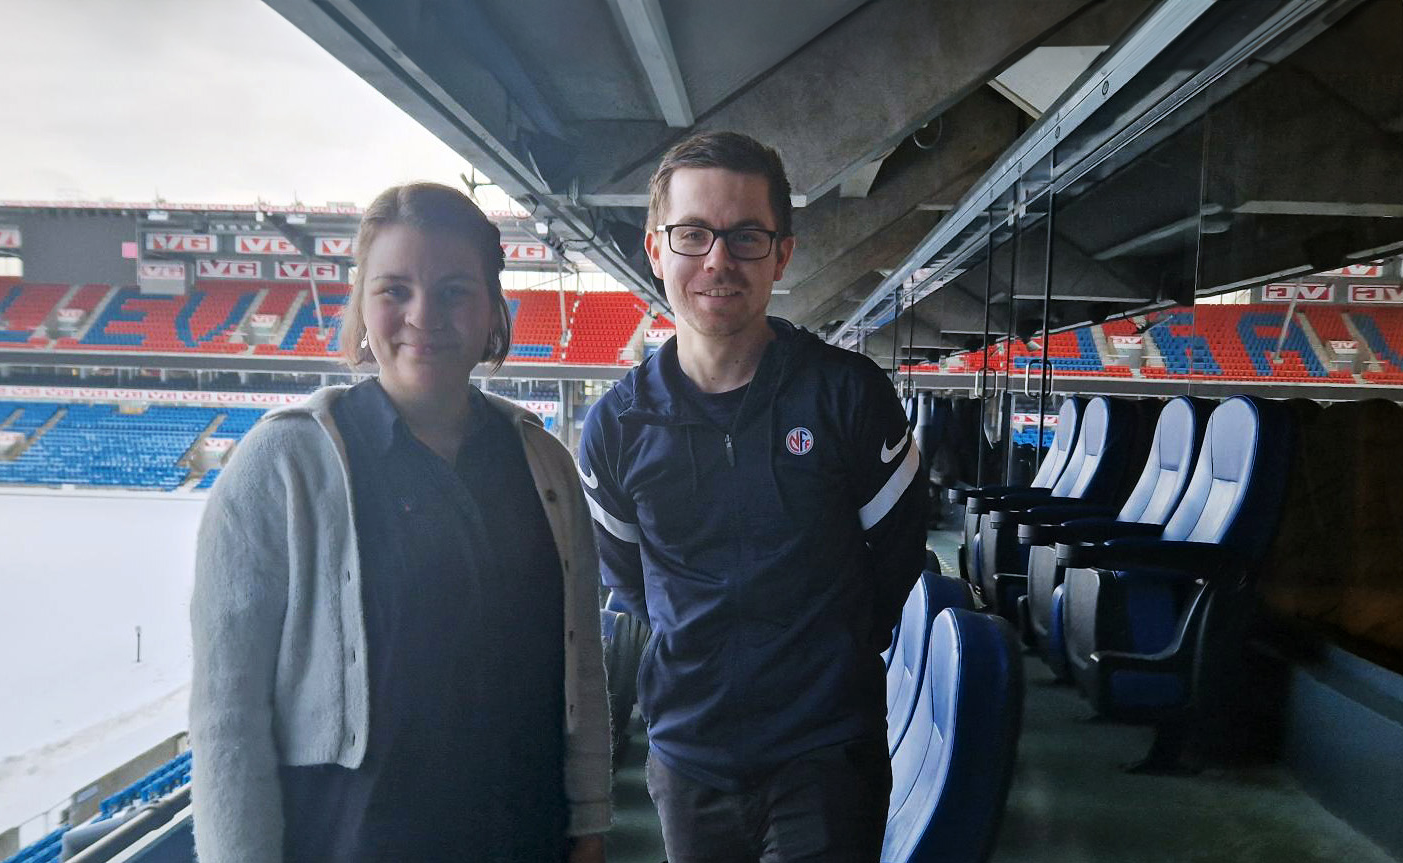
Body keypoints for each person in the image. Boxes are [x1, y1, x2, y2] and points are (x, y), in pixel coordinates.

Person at [190, 182, 611, 863]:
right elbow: (227, 718)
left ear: (490, 312)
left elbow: (579, 667)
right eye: (394, 290)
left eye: (453, 291)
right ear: (362, 305)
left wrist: (588, 820)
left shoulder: (544, 465)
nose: (424, 315)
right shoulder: (281, 464)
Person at [578, 132, 928, 862]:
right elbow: (628, 580)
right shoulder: (616, 424)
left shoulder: (848, 395)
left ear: (781, 253)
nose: (717, 260)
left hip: (825, 752)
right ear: (654, 249)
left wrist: (818, 663)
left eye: (744, 236)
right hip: (687, 752)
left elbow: (894, 561)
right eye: (692, 234)